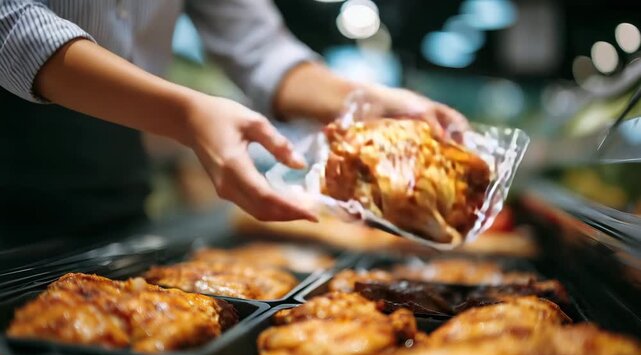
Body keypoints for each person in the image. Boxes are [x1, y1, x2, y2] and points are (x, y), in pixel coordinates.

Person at [0, 0, 467, 244]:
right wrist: (185, 114)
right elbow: (12, 21)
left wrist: (366, 100)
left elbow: (260, 48)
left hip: (118, 183)